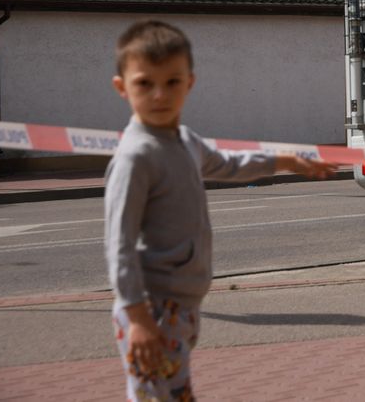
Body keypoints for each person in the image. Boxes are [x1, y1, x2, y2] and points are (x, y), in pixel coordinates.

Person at [104, 20, 336, 401]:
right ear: (122, 87)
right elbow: (119, 246)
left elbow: (229, 164)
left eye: (172, 82)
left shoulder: (184, 140)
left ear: (190, 83)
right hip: (152, 307)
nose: (160, 94)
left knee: (175, 394)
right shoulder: (136, 157)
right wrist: (138, 318)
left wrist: (286, 161)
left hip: (182, 305)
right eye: (145, 83)